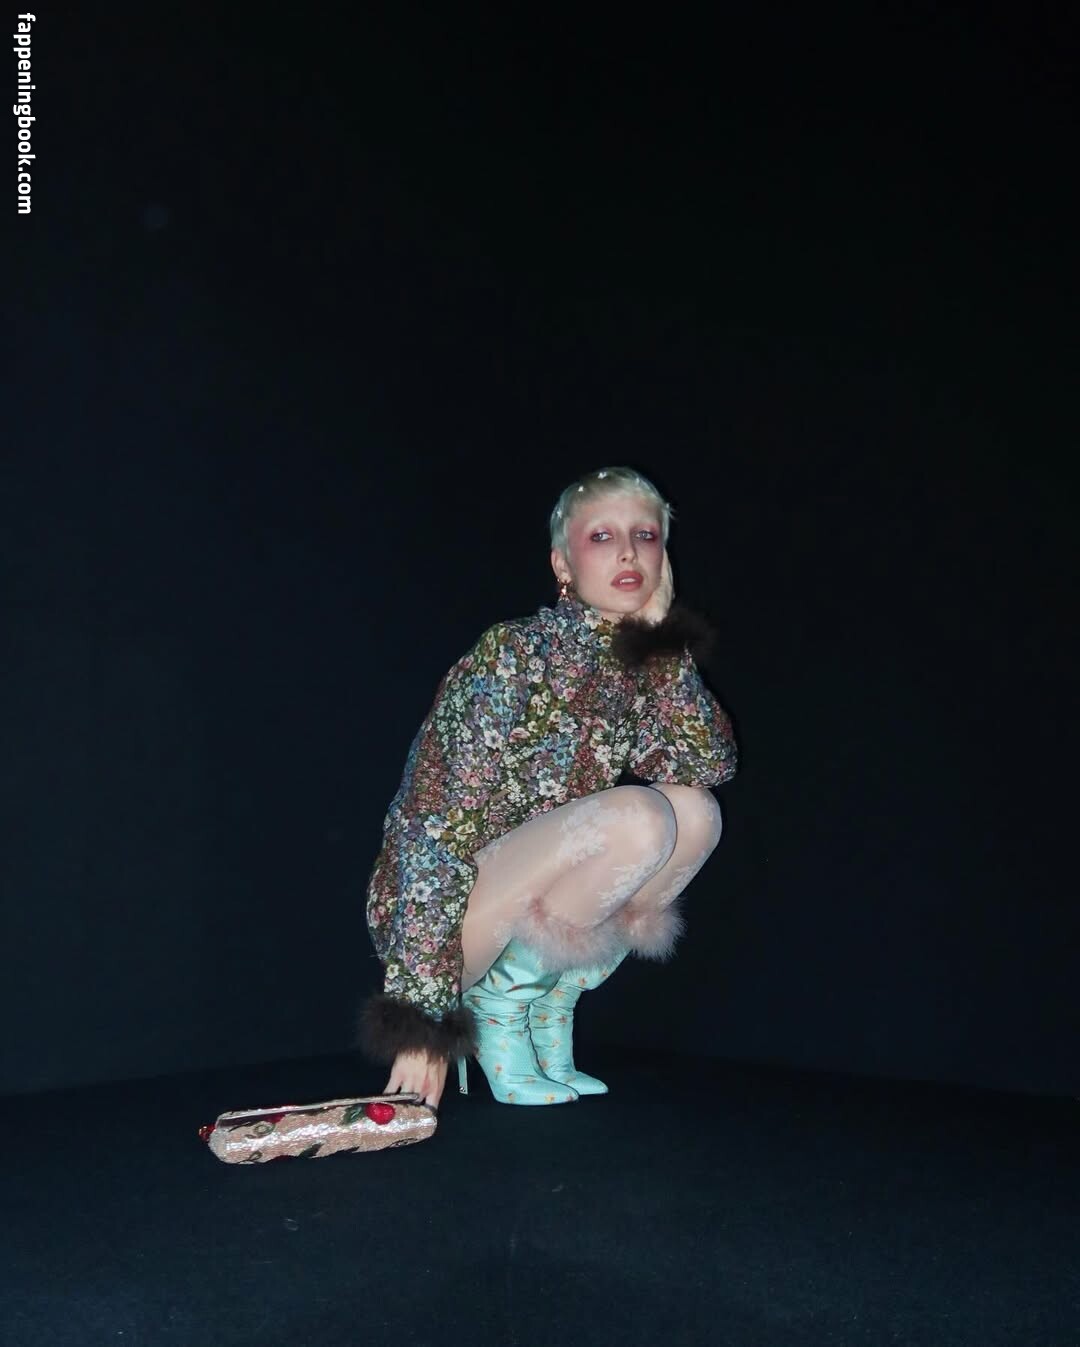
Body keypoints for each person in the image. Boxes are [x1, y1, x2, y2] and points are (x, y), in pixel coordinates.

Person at [359, 466, 738, 1109]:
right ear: (563, 564)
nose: (628, 552)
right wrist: (422, 1016)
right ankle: (498, 1008)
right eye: (602, 537)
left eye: (645, 535)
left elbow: (709, 764)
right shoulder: (513, 653)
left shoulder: (637, 667)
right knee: (641, 818)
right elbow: (429, 829)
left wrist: (663, 648)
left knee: (695, 812)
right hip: (444, 917)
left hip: (528, 900)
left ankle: (547, 1003)